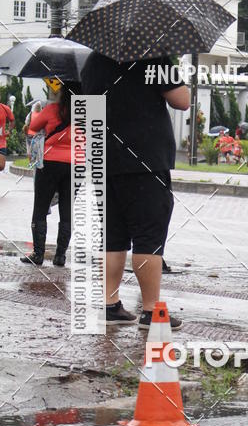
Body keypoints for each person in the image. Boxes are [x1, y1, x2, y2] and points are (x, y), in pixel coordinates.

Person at [81, 55, 190, 329]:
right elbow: (182, 100)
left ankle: (110, 304)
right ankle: (151, 311)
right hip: (145, 159)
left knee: (113, 235)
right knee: (148, 236)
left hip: (104, 158)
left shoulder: (91, 63)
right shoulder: (152, 59)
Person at [20, 82, 80, 267]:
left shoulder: (52, 109)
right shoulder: (87, 112)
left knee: (40, 208)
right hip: (74, 164)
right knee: (67, 211)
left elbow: (34, 125)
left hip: (49, 163)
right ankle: (60, 256)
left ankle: (38, 254)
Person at [0, 100, 15, 171]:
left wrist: (9, 130)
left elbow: (12, 120)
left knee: (1, 166)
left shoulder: (5, 108)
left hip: (1, 141)